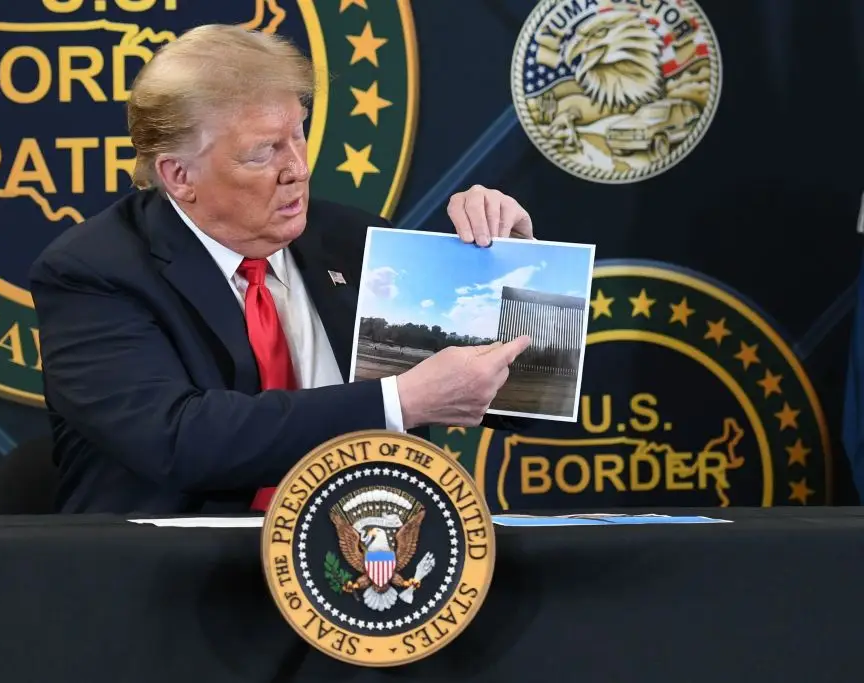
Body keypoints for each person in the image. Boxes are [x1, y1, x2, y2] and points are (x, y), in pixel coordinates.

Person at [29, 24, 536, 515]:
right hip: (177, 580)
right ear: (179, 175)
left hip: (366, 567)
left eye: (298, 136)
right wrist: (399, 401)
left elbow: (529, 396)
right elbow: (180, 441)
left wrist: (514, 273)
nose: (297, 168)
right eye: (264, 151)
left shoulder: (351, 242)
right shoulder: (93, 272)